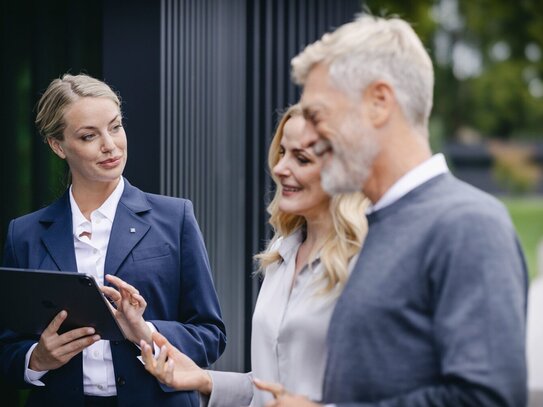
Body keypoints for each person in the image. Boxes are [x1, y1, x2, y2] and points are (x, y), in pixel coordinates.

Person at [255, 14, 528, 407]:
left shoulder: (469, 224)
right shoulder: (381, 226)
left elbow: (487, 398)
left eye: (318, 115)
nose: (309, 139)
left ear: (379, 102)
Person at [0, 73, 226, 406]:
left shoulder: (174, 218)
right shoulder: (25, 234)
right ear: (57, 145)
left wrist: (144, 331)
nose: (110, 145)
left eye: (115, 127)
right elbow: (7, 346)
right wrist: (36, 359)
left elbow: (211, 334)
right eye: (89, 136)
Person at [140, 104, 368, 406]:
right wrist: (204, 379)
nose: (280, 168)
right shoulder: (281, 251)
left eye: (301, 158)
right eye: (282, 152)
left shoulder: (366, 263)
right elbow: (268, 387)